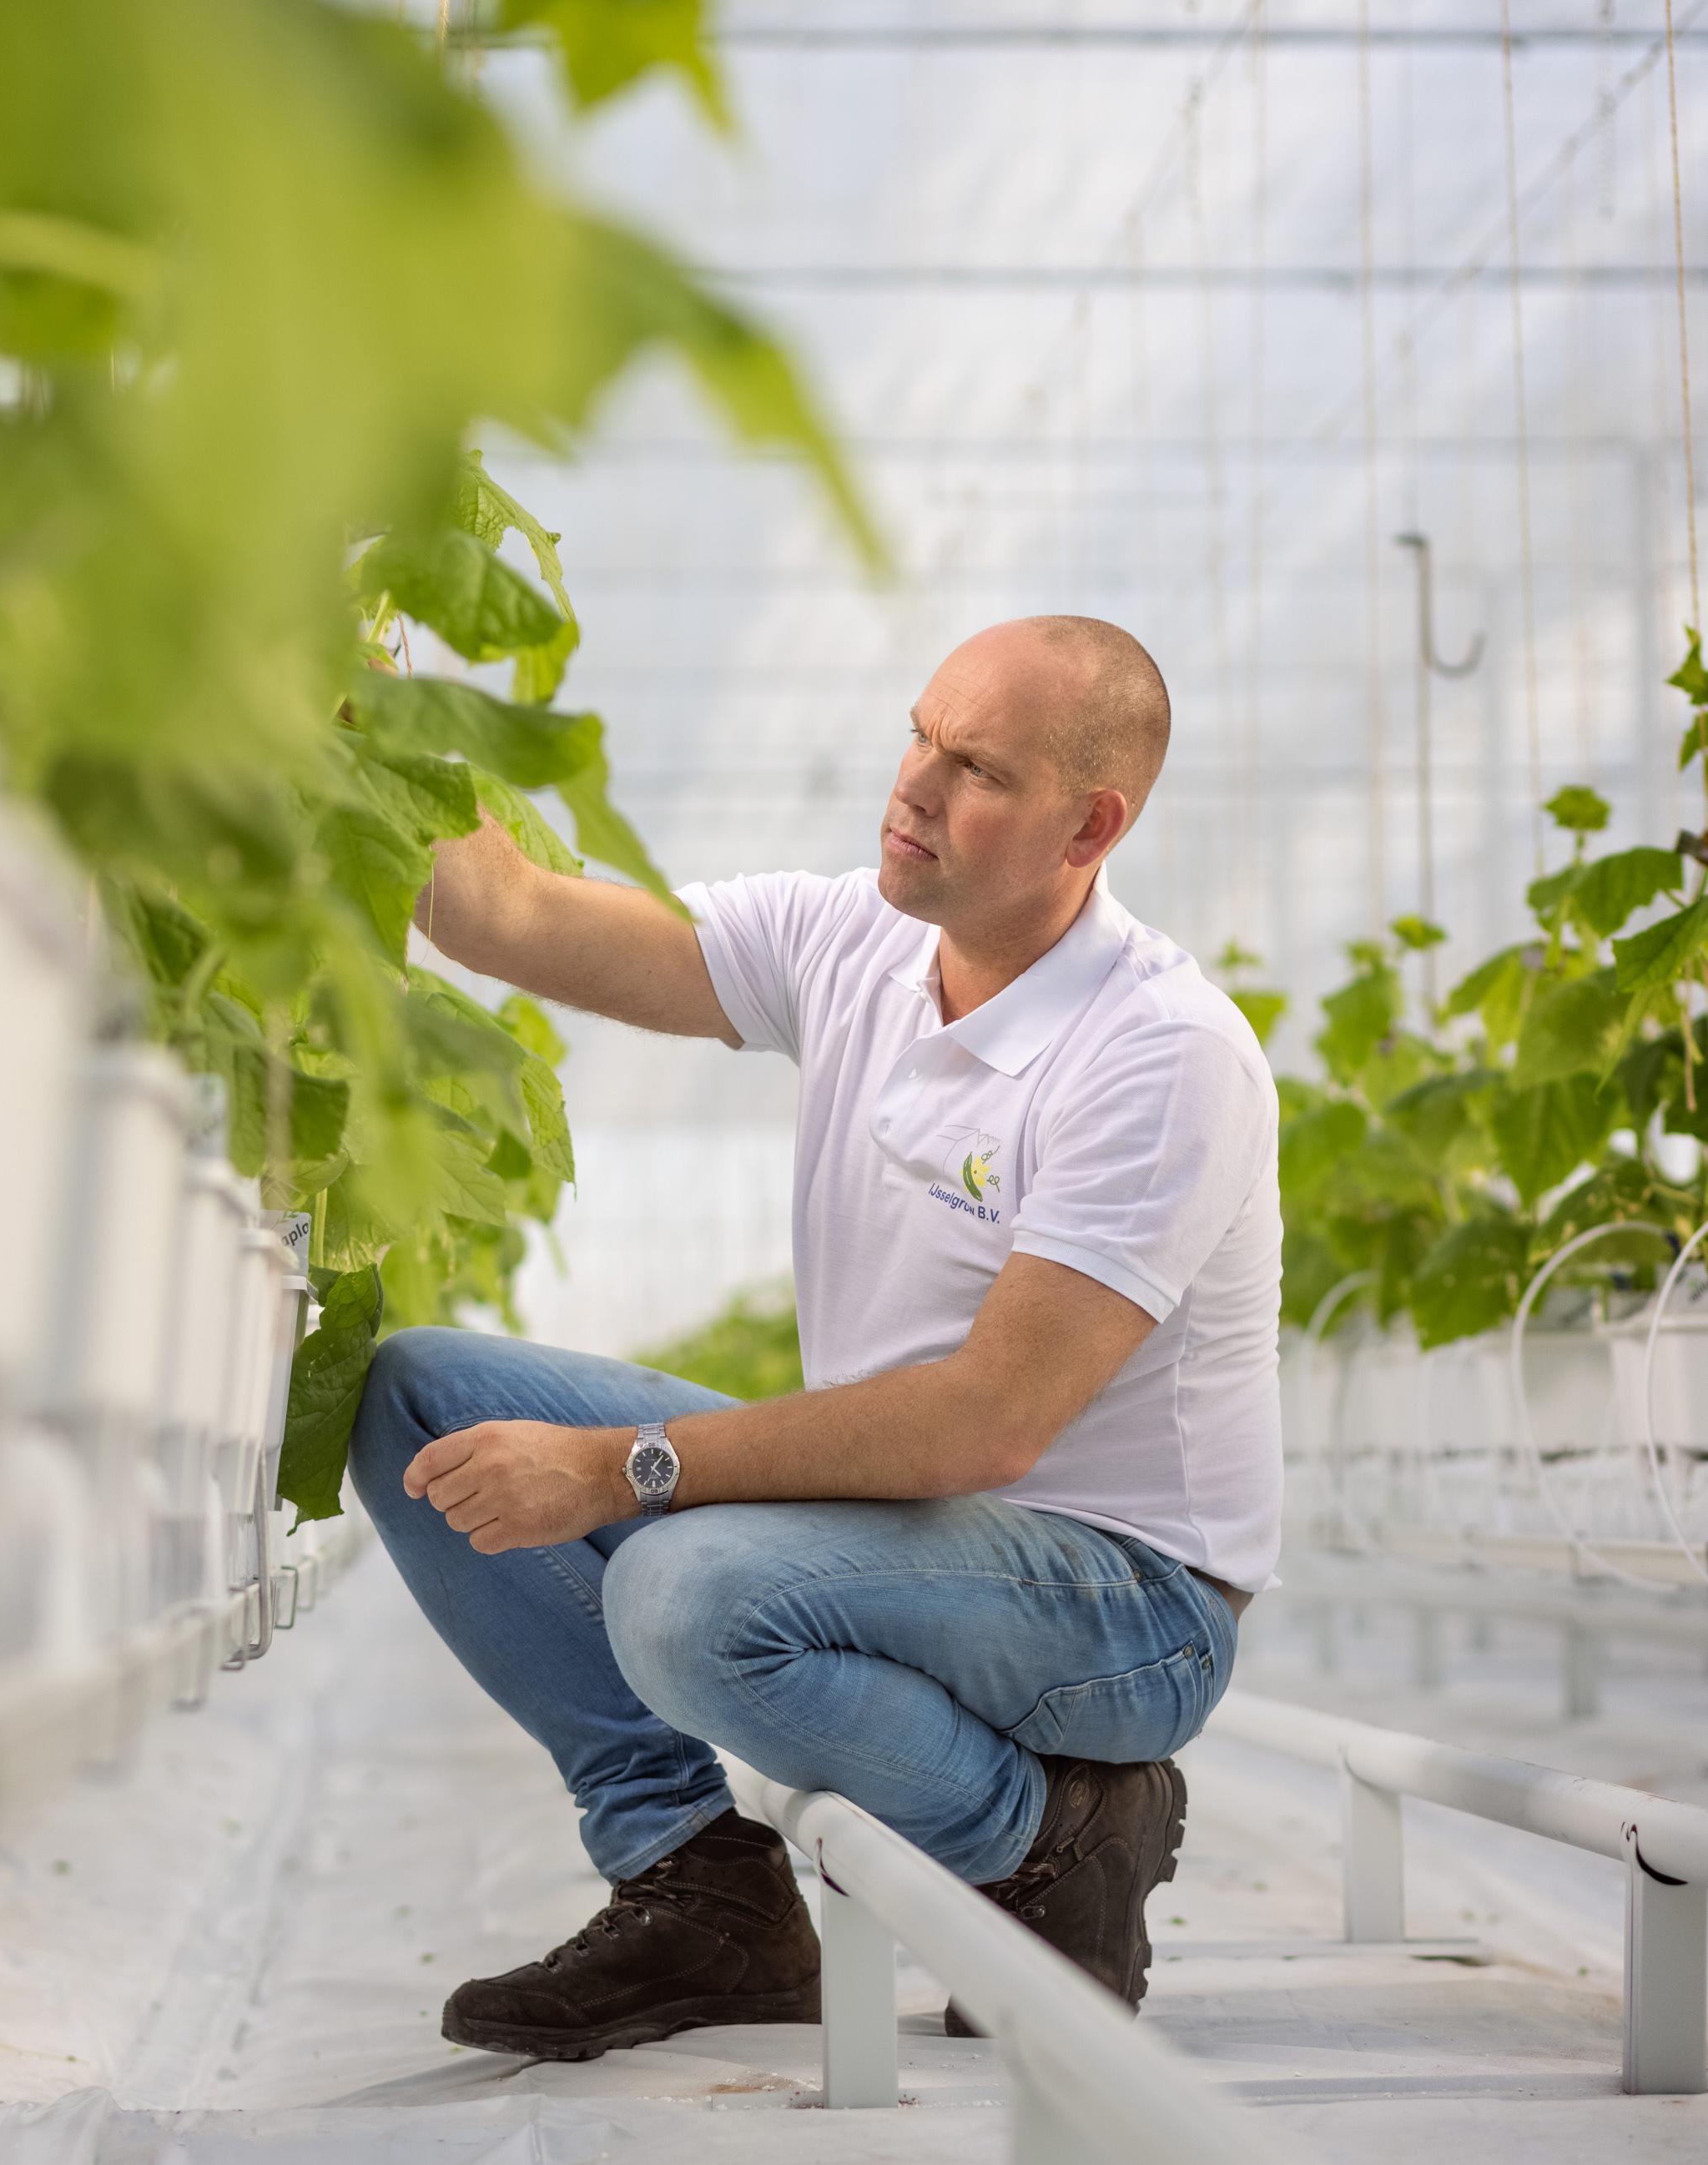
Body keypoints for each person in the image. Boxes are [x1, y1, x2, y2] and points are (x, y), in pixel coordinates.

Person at [347, 614, 1282, 2062]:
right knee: (423, 1395)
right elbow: (506, 916)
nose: (913, 782)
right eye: (921, 731)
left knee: (686, 1594)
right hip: (907, 1530)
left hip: (1121, 1598)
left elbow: (989, 1424)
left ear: (1090, 824)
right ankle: (702, 1890)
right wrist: (365, 681)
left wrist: (621, 1467)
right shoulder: (856, 937)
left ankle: (1055, 1846)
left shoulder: (1161, 1053)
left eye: (973, 767)